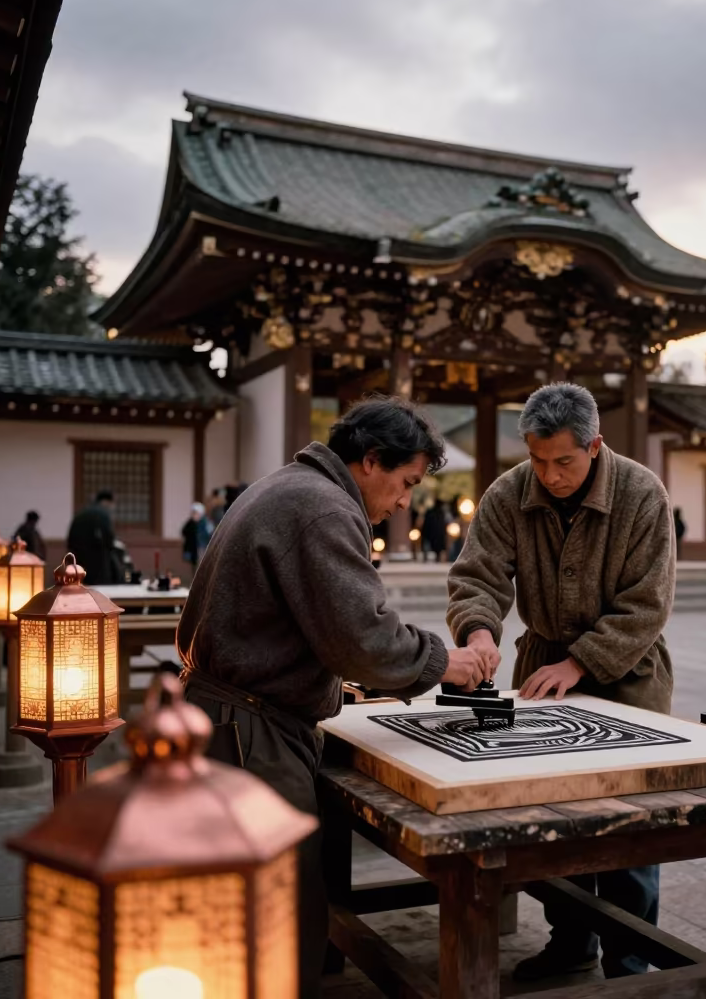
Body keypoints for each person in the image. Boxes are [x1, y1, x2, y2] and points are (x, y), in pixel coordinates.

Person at [177, 396, 491, 998]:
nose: (404, 502)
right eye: (405, 483)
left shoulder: (290, 486)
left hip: (231, 714)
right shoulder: (323, 508)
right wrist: (442, 661)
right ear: (370, 461)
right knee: (280, 904)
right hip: (250, 728)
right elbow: (363, 639)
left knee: (251, 894)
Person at [447, 383, 674, 982]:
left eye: (564, 462)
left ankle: (630, 960)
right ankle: (571, 942)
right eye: (537, 460)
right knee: (548, 824)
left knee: (631, 828)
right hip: (539, 664)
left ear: (595, 446)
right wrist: (479, 632)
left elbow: (648, 604)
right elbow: (478, 574)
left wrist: (580, 663)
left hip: (629, 671)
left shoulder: (642, 492)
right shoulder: (507, 491)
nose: (548, 475)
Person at [66, 491, 117, 584]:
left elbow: (70, 541)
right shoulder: (103, 515)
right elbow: (109, 540)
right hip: (99, 563)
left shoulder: (80, 514)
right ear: (107, 502)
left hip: (79, 561)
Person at [181, 502, 212, 571]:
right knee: (194, 565)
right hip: (193, 547)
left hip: (202, 546)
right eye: (193, 513)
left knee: (200, 564)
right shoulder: (190, 523)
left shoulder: (205, 522)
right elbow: (184, 532)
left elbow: (210, 534)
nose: (194, 515)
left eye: (196, 513)